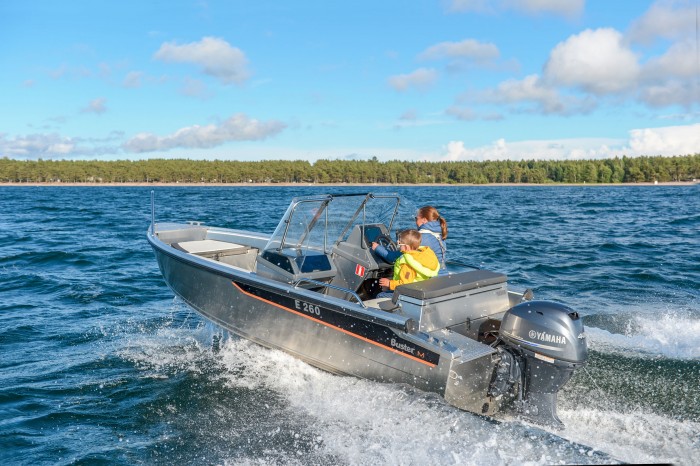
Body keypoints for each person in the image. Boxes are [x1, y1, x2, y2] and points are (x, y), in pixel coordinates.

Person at [372, 205, 448, 273]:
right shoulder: (438, 234)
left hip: (430, 278)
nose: (415, 222)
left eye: (416, 218)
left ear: (424, 220)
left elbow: (393, 257)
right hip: (442, 273)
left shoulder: (422, 237)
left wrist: (377, 248)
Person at [375, 229, 440, 298]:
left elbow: (405, 284)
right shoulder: (422, 255)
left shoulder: (407, 263)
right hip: (418, 290)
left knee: (380, 295)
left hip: (408, 294)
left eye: (399, 243)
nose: (398, 244)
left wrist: (389, 283)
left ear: (406, 247)